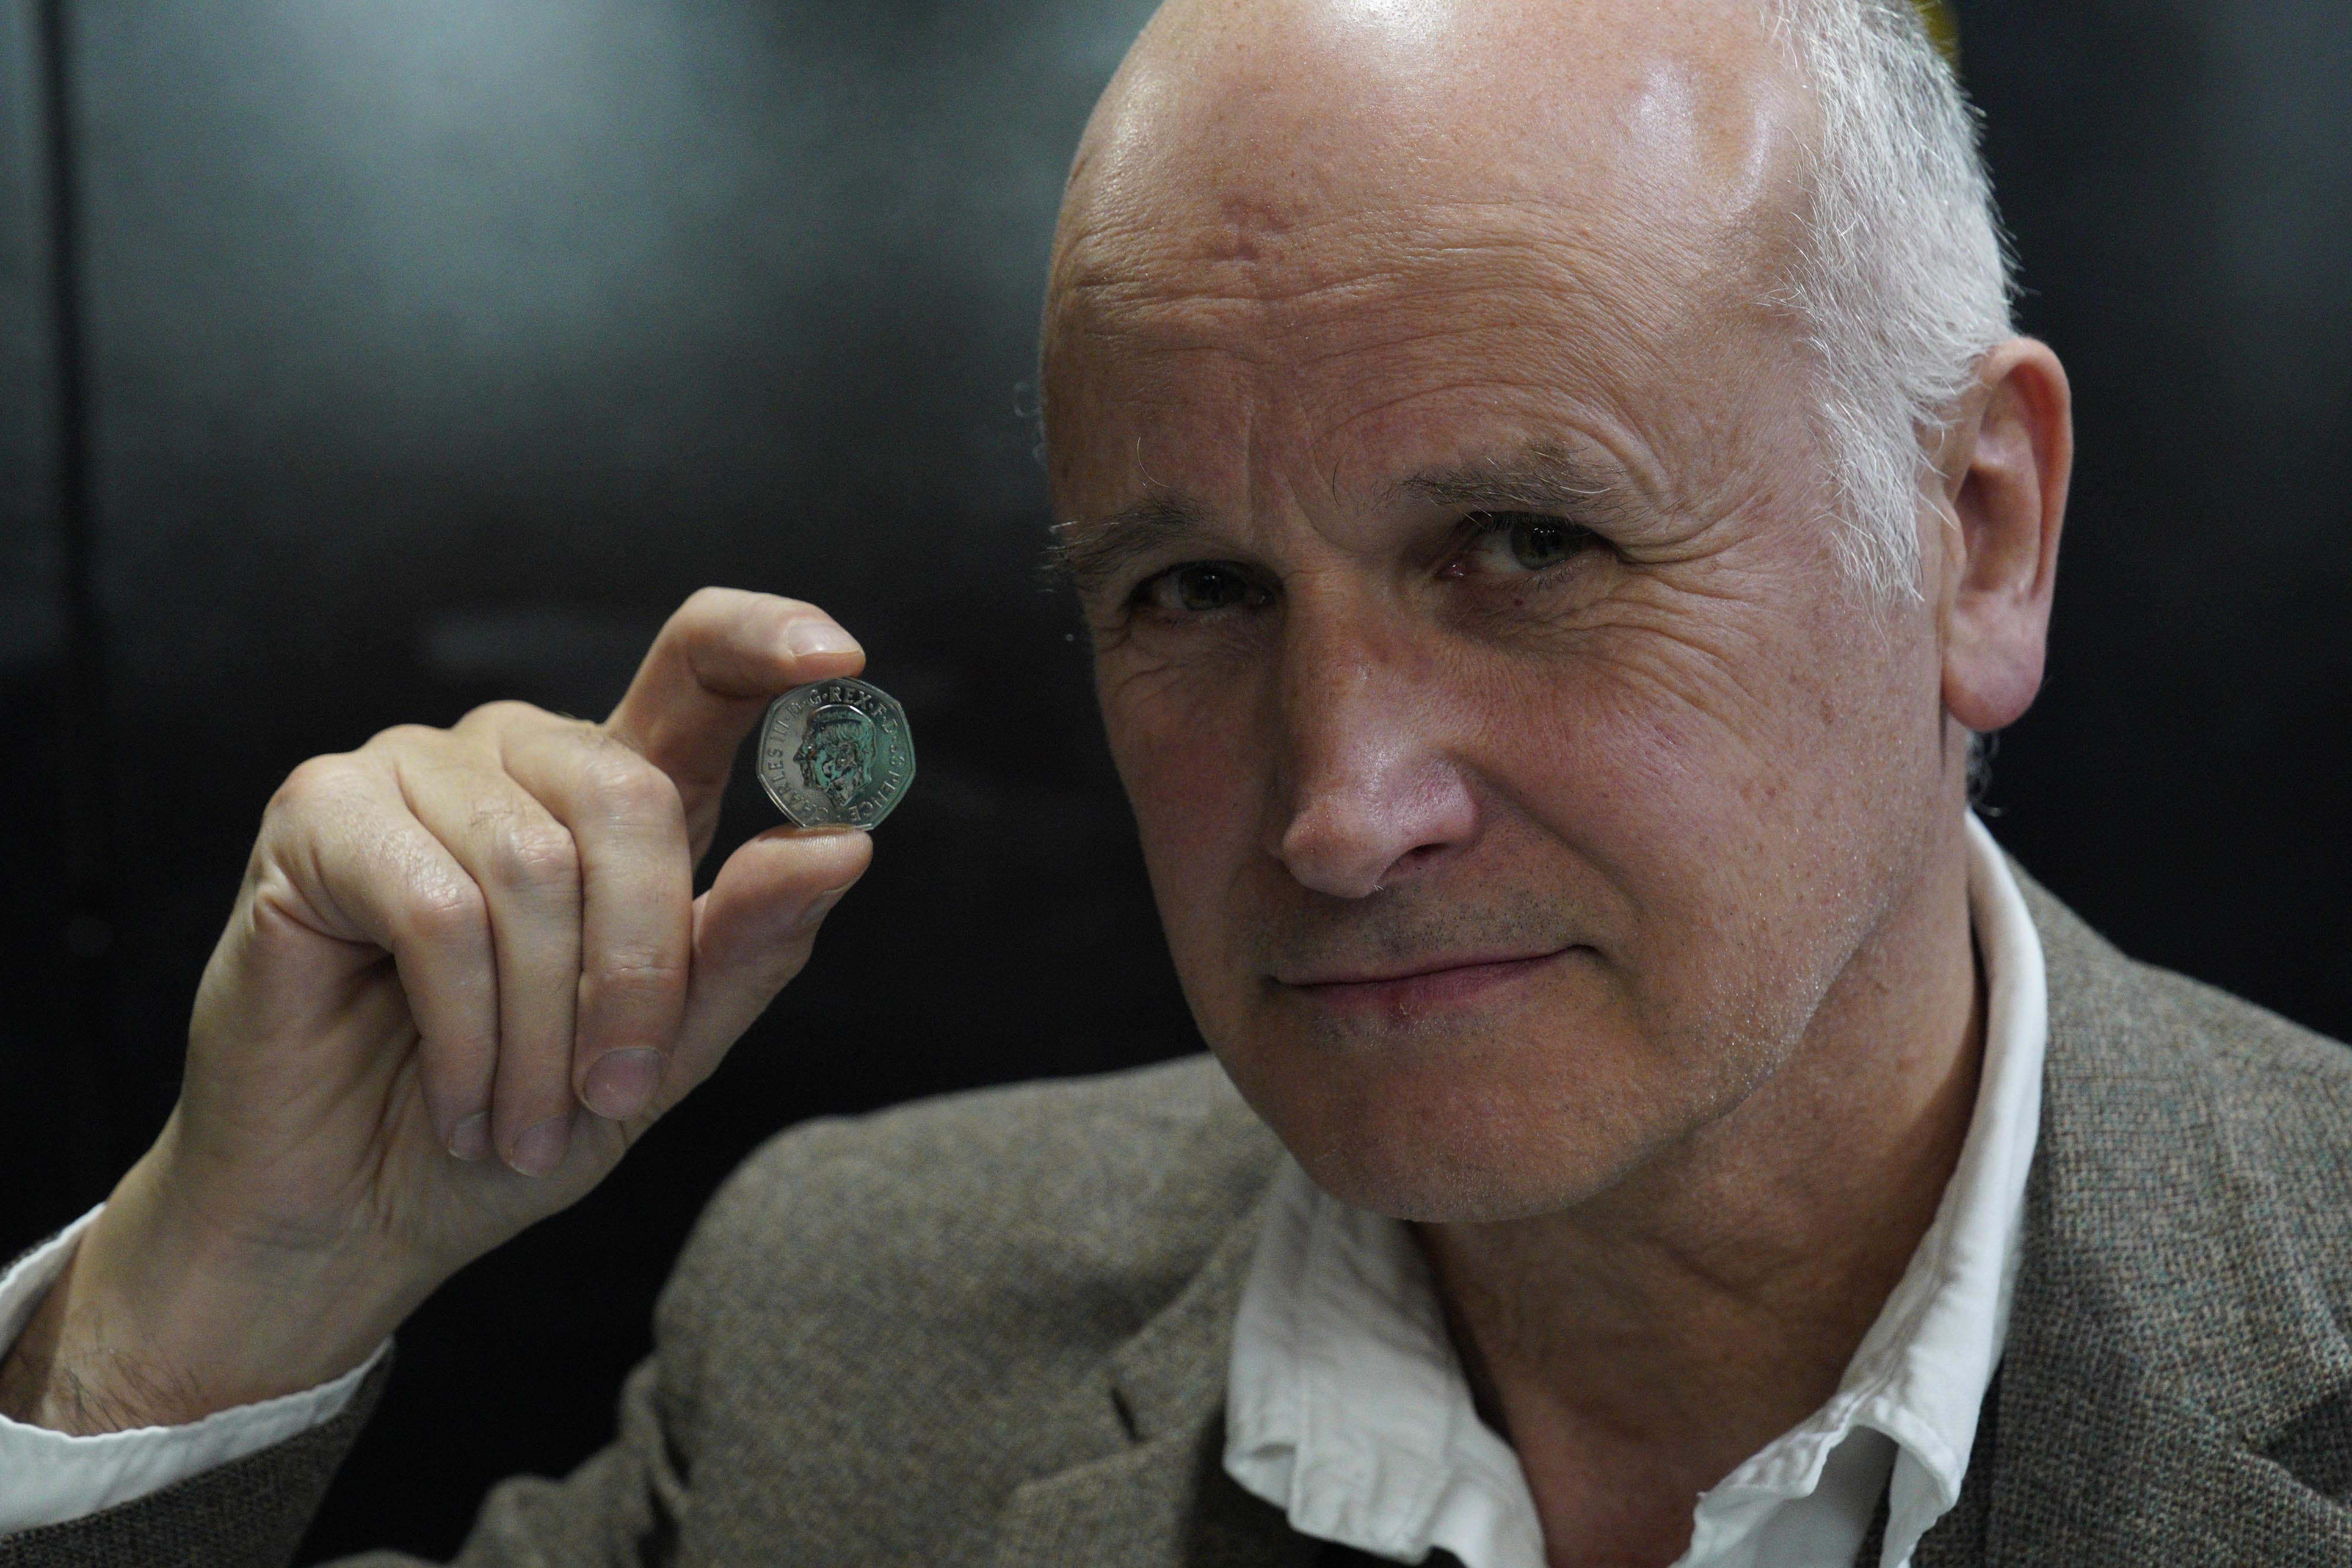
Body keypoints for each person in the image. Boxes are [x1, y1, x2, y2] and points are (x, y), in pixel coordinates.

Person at [4, 0, 2348, 1563]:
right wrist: (201, 1314)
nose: (1337, 809)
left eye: (1525, 545)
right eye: (1200, 595)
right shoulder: (854, 1335)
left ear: (1974, 535)